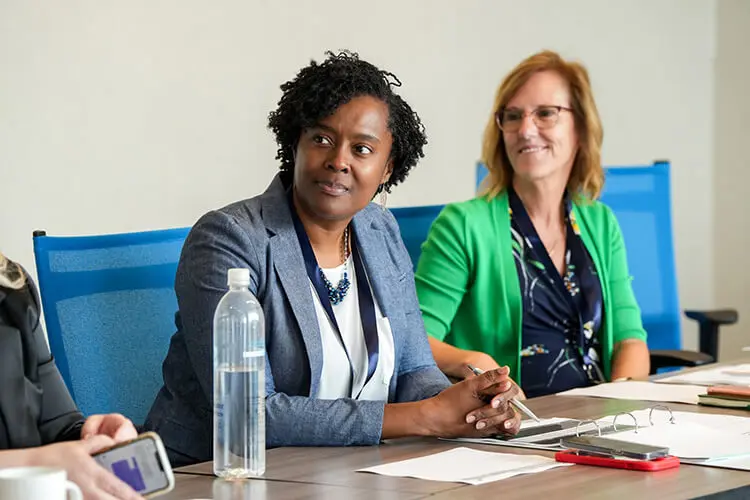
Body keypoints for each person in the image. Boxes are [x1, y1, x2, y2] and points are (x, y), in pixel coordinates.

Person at [145, 50, 521, 466]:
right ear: (295, 145)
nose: (338, 160)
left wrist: (470, 406)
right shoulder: (230, 239)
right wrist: (422, 417)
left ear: (386, 168)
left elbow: (415, 369)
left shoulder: (380, 231)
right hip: (218, 475)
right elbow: (249, 414)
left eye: (362, 149)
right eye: (322, 139)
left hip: (345, 469)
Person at [416, 50, 649, 399]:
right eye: (513, 116)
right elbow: (413, 339)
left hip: (597, 427)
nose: (526, 130)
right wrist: (473, 362)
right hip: (514, 429)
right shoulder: (462, 225)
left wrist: (624, 404)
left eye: (545, 114)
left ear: (581, 129)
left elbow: (630, 339)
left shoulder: (600, 223)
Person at [0, 252, 142, 500]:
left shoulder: (12, 291)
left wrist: (95, 441)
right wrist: (36, 463)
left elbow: (59, 427)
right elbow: (44, 458)